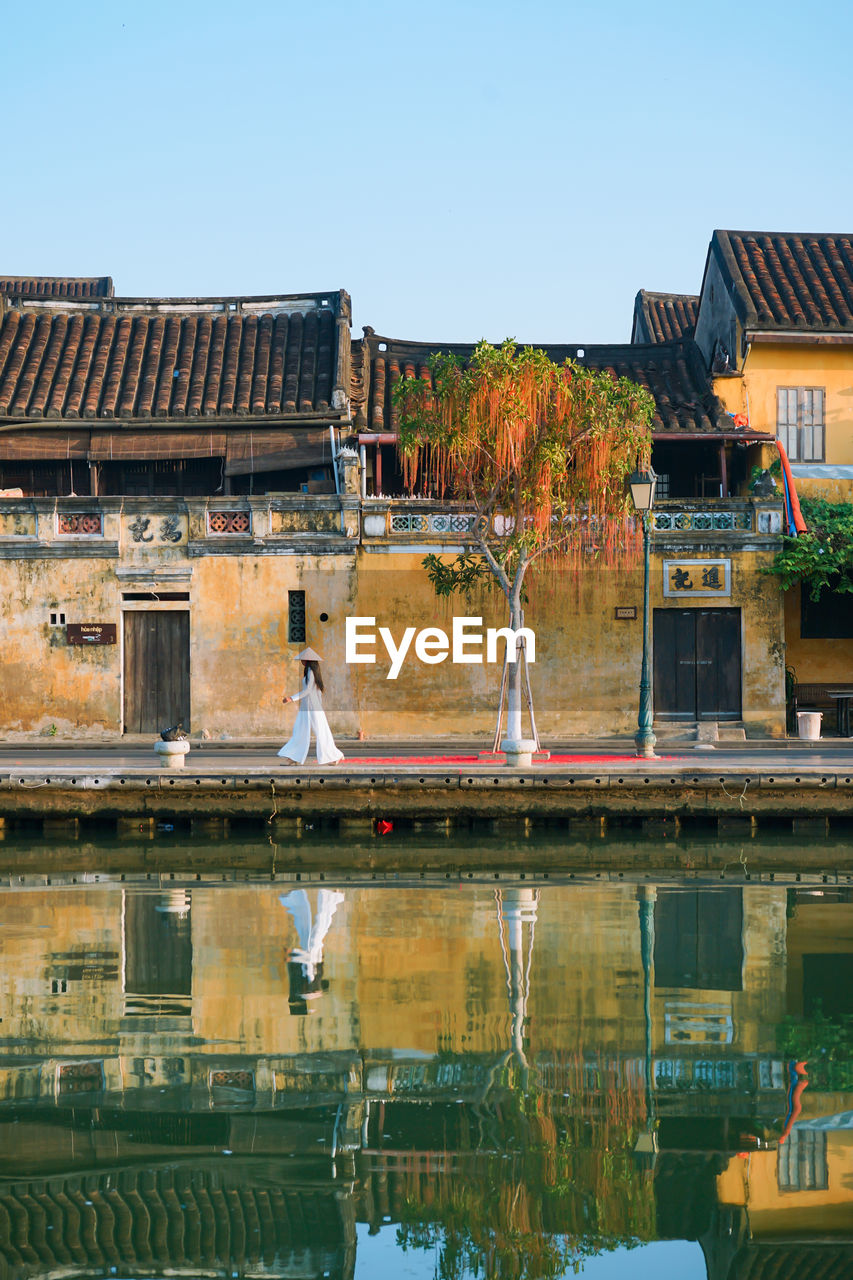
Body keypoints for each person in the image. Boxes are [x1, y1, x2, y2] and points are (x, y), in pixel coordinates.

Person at [278, 647, 344, 765]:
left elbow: (308, 690)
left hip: (313, 708)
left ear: (308, 660)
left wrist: (291, 698)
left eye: (303, 659)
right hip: (306, 708)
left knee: (321, 732)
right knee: (300, 730)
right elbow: (316, 692)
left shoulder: (311, 671)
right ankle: (294, 757)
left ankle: (334, 756)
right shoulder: (309, 671)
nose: (301, 661)